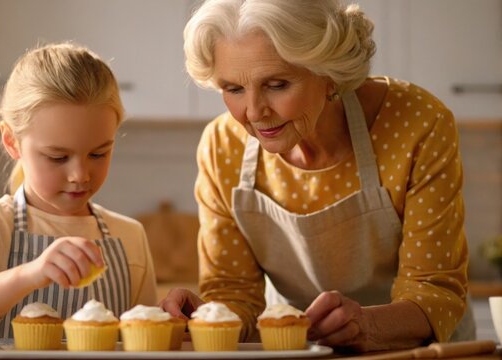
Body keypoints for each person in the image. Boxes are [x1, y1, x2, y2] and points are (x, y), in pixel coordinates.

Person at [160, 0, 474, 352]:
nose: (252, 112)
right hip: (300, 349)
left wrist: (368, 325)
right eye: (233, 89)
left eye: (277, 84)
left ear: (329, 73)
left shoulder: (417, 123)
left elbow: (432, 291)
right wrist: (210, 318)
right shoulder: (222, 146)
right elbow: (236, 293)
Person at [0, 43, 157, 338]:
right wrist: (30, 274)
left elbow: (146, 341)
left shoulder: (130, 236)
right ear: (11, 142)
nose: (80, 175)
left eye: (99, 154)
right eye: (58, 157)